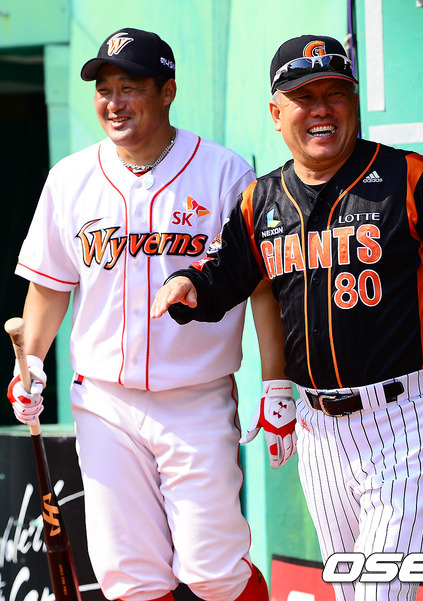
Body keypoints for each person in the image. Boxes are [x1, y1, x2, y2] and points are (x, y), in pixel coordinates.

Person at [150, 34, 423, 601]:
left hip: (409, 416)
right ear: (276, 113)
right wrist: (190, 284)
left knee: (377, 593)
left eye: (335, 93)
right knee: (351, 590)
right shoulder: (260, 200)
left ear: (354, 101)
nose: (321, 109)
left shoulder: (409, 177)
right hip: (319, 430)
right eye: (304, 97)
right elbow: (225, 276)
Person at [7, 27, 274, 601]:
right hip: (104, 400)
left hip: (196, 395)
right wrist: (29, 366)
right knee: (129, 577)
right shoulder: (70, 178)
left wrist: (275, 383)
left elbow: (261, 289)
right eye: (104, 89)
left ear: (167, 91)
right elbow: (50, 286)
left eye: (130, 87)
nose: (114, 102)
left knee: (215, 572)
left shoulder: (225, 173)